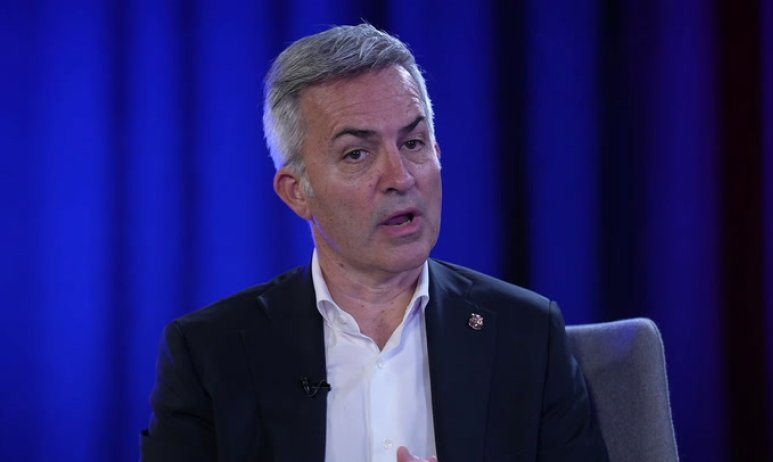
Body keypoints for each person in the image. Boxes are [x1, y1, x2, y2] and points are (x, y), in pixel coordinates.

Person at [140, 23, 608, 462]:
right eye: (357, 153)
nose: (400, 177)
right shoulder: (210, 353)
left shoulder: (527, 335)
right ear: (297, 192)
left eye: (413, 143)